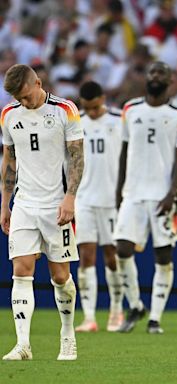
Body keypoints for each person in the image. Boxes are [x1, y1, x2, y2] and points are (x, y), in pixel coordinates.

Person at [0, 64, 84, 360]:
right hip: (24, 203)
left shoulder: (65, 110)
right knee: (20, 270)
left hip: (56, 205)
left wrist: (70, 198)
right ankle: (23, 344)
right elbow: (9, 161)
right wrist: (5, 202)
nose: (24, 103)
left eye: (27, 96)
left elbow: (77, 157)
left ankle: (67, 334)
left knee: (60, 276)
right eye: (18, 99)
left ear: (38, 82)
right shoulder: (9, 114)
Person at [115, 61, 177, 334]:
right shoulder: (130, 109)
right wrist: (119, 190)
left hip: (163, 194)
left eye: (162, 72)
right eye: (152, 72)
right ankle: (136, 305)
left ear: (171, 79)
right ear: (146, 78)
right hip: (133, 192)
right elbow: (125, 151)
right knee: (122, 249)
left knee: (163, 255)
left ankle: (155, 319)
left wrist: (172, 192)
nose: (156, 76)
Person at [74, 81, 124, 333]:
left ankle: (117, 310)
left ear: (103, 99)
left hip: (112, 199)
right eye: (87, 108)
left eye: (95, 107)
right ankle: (89, 317)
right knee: (87, 256)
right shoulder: (76, 123)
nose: (92, 112)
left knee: (112, 256)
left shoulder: (118, 120)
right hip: (83, 198)